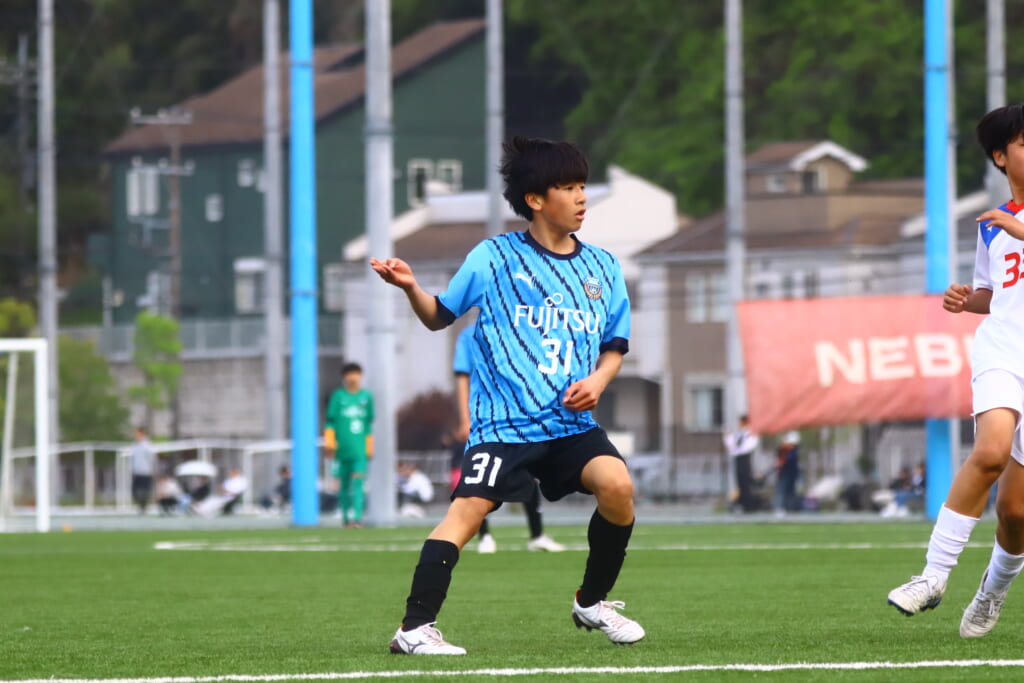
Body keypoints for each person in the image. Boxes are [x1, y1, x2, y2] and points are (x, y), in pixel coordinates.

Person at [373, 136, 643, 655]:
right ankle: (414, 629)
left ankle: (592, 602)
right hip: (504, 427)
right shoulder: (493, 257)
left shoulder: (604, 267)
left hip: (571, 426)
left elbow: (615, 346)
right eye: (568, 187)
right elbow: (439, 316)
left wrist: (599, 381)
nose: (581, 196)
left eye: (583, 185)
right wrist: (410, 288)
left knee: (618, 486)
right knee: (467, 513)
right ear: (536, 199)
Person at [887, 103, 1024, 638]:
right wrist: (967, 299)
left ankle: (992, 592)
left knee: (1016, 514)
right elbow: (996, 294)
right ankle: (932, 576)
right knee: (989, 452)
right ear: (1000, 157)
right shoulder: (992, 226)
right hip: (1003, 350)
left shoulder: (1008, 225)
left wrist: (1020, 229)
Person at [451, 322, 565, 553]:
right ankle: (484, 536)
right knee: (481, 477)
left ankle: (537, 535)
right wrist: (465, 419)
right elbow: (463, 377)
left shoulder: (523, 329)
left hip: (519, 417)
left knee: (529, 472)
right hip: (485, 418)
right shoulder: (470, 335)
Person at [324, 362, 374, 528]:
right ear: (344, 377)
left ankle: (357, 518)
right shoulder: (338, 396)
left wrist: (369, 446)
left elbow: (368, 424)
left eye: (356, 373)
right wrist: (329, 443)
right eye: (349, 374)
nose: (353, 377)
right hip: (341, 450)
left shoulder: (366, 397)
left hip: (359, 450)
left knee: (358, 483)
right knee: (344, 485)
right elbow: (330, 422)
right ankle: (346, 518)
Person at [723, 415, 760, 513]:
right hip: (738, 458)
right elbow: (732, 448)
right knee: (739, 482)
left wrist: (737, 450)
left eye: (740, 422)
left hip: (745, 458)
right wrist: (727, 438)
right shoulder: (739, 434)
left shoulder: (751, 434)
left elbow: (747, 447)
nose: (738, 424)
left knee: (745, 482)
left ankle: (748, 505)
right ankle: (742, 504)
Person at [129, 426, 156, 515]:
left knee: (144, 491)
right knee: (135, 491)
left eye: (137, 433)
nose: (135, 435)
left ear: (142, 433)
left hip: (146, 472)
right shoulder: (134, 445)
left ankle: (143, 507)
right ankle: (140, 506)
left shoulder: (147, 445)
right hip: (136, 472)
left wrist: (151, 469)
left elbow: (152, 458)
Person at [774, 431, 800, 515]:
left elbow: (787, 461)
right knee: (781, 491)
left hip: (790, 475)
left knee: (788, 492)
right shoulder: (783, 451)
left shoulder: (793, 452)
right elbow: (780, 460)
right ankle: (779, 508)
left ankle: (789, 508)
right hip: (784, 474)